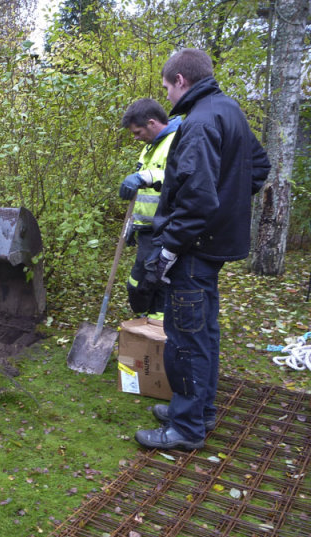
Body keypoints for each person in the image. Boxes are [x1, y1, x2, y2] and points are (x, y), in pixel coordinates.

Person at [134, 48, 271, 450]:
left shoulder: (198, 122)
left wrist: (169, 249)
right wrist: (228, 206)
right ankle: (199, 411)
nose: (168, 96)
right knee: (204, 332)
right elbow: (258, 168)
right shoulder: (229, 110)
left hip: (194, 250)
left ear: (180, 81)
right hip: (214, 245)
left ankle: (186, 429)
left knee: (185, 339)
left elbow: (196, 201)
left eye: (167, 88)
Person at [119, 99, 181, 318]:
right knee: (137, 283)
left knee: (156, 281)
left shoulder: (178, 140)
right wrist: (131, 226)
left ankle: (156, 334)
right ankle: (144, 322)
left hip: (167, 228)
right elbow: (144, 195)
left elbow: (182, 178)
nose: (135, 138)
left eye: (137, 132)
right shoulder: (150, 147)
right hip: (146, 229)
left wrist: (146, 176)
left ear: (152, 123)